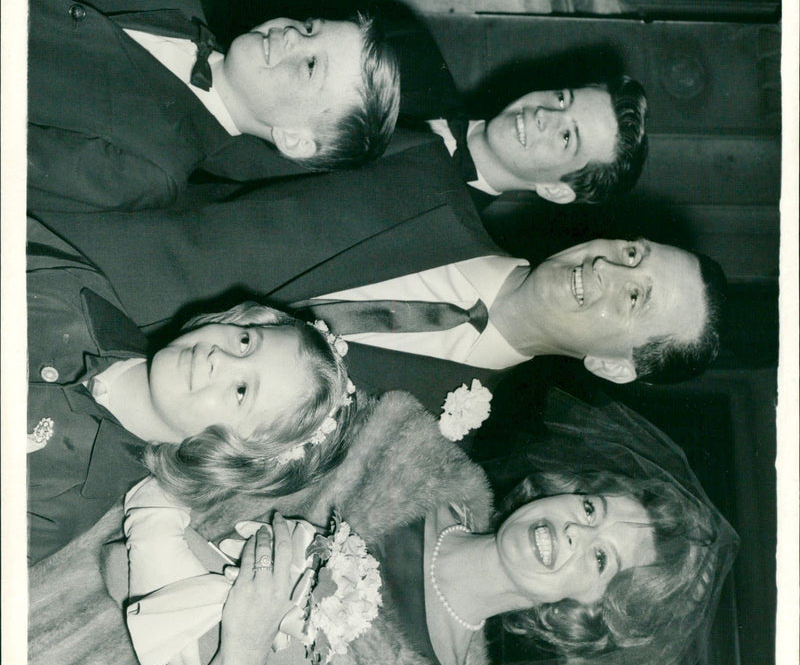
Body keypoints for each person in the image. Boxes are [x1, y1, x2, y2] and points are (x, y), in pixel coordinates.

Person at [27, 390, 737, 665]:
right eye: (590, 509)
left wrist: (241, 655)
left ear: (586, 611)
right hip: (57, 518)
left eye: (602, 558)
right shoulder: (406, 449)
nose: (570, 532)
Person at [34, 169, 728, 413]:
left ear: (613, 365)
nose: (607, 269)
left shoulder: (441, 445)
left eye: (634, 299)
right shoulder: (425, 181)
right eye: (633, 252)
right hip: (55, 252)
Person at [27, 217, 356, 564]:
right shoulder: (71, 282)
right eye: (245, 342)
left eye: (242, 391)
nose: (220, 359)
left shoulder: (60, 504)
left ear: (225, 455)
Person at [27, 0, 400, 212]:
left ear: (293, 139)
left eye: (311, 65)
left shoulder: (152, 168)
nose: (290, 36)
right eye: (308, 28)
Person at [426, 77, 648, 208]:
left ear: (555, 190)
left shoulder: (435, 235)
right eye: (561, 100)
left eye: (566, 137)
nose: (543, 113)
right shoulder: (414, 50)